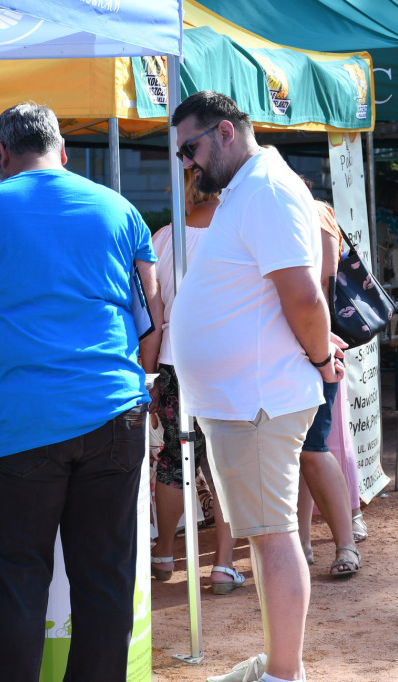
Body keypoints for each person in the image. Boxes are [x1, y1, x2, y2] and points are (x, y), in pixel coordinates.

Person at [0, 102, 162, 682]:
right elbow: (153, 310)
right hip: (114, 413)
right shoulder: (120, 208)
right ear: (64, 150)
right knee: (105, 580)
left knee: (16, 587)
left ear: (0, 153)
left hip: (22, 424)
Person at [169, 91, 344, 682]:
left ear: (224, 132)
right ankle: (278, 667)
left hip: (258, 399)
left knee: (272, 539)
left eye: (189, 149)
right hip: (247, 399)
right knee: (268, 537)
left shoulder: (265, 187)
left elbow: (303, 294)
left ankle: (282, 674)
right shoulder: (250, 186)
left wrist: (321, 360)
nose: (186, 164)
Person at [149, 167, 242, 594]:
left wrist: (149, 378)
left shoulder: (164, 238)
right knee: (224, 467)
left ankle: (164, 553)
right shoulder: (239, 233)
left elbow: (153, 319)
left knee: (173, 459)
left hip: (171, 364)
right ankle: (223, 566)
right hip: (229, 366)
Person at [297, 199, 361, 577]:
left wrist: (319, 355)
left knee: (314, 448)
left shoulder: (315, 213)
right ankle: (305, 543)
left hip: (316, 347)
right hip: (298, 350)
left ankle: (346, 544)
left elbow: (321, 284)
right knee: (301, 450)